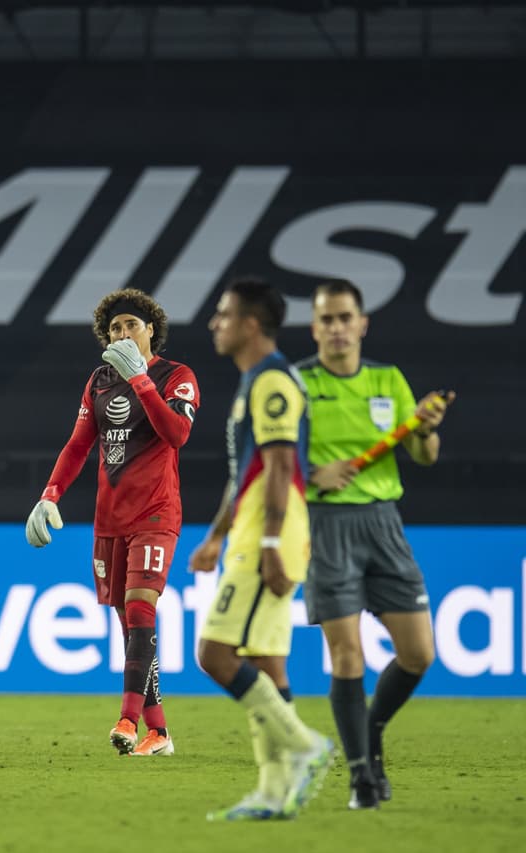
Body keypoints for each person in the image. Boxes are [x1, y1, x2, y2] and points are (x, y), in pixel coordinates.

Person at [25, 288, 200, 757]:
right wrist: (49, 495)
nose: (123, 334)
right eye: (115, 328)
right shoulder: (98, 380)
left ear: (150, 331)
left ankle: (127, 717)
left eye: (131, 326)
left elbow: (177, 434)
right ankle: (158, 731)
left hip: (156, 513)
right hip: (110, 519)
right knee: (129, 623)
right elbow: (79, 444)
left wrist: (142, 380)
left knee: (142, 606)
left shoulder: (176, 376)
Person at [298, 278, 449, 810]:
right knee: (346, 655)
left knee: (418, 653)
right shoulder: (295, 385)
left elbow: (424, 456)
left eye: (345, 318)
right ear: (315, 327)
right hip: (325, 525)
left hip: (384, 524)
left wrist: (427, 429)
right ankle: (362, 776)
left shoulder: (389, 380)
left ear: (362, 324)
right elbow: (270, 463)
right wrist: (315, 472)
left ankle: (369, 730)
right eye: (327, 319)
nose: (337, 328)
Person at [188, 278, 334, 820]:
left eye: (223, 314)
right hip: (257, 533)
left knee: (215, 654)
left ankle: (303, 745)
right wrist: (215, 536)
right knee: (266, 663)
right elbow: (245, 473)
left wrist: (268, 541)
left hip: (268, 537)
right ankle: (274, 794)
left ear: (251, 324)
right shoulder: (256, 380)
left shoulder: (272, 382)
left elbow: (277, 468)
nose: (214, 323)